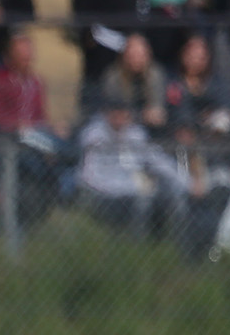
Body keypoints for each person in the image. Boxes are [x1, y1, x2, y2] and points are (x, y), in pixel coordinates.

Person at [77, 95, 181, 235]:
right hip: (103, 194)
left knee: (172, 194)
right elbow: (90, 176)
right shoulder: (94, 136)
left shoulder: (136, 133)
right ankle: (137, 245)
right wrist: (133, 188)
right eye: (116, 115)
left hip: (131, 190)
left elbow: (156, 159)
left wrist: (184, 180)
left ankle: (166, 244)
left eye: (124, 116)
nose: (120, 120)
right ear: (107, 115)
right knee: (142, 202)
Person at [0, 31, 48, 133]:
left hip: (34, 133)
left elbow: (40, 114)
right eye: (23, 59)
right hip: (7, 137)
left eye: (29, 58)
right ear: (10, 57)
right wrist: (18, 124)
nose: (28, 62)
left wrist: (48, 126)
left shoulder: (35, 82)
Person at [100, 32, 168, 128]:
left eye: (140, 54)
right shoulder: (113, 76)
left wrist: (153, 112)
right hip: (116, 126)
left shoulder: (156, 74)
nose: (136, 59)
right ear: (124, 55)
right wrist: (138, 115)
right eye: (132, 54)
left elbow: (157, 107)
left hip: (148, 127)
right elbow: (114, 109)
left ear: (148, 55)